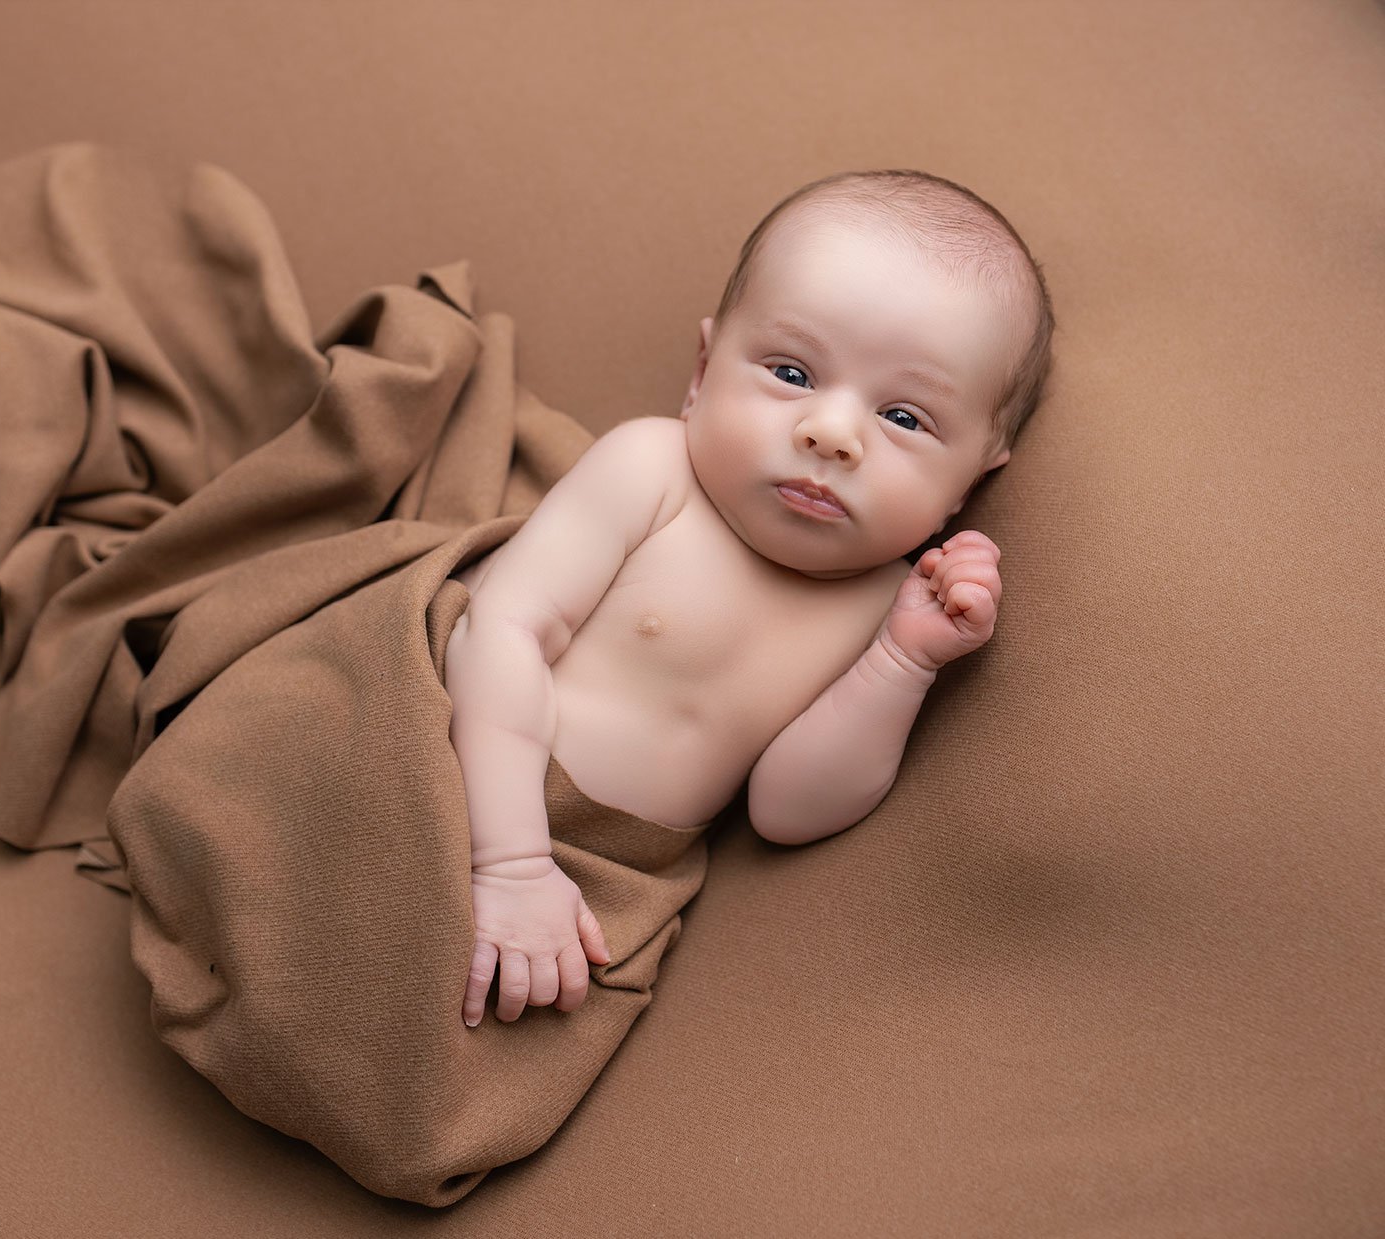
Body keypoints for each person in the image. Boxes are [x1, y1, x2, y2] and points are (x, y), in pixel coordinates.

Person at [443, 169, 1056, 1030]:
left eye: (906, 419)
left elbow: (785, 811)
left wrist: (902, 663)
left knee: (482, 1042)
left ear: (970, 481)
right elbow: (499, 632)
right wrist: (507, 860)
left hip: (611, 870)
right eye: (792, 371)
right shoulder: (653, 471)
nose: (832, 434)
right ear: (701, 372)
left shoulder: (886, 606)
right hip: (460, 756)